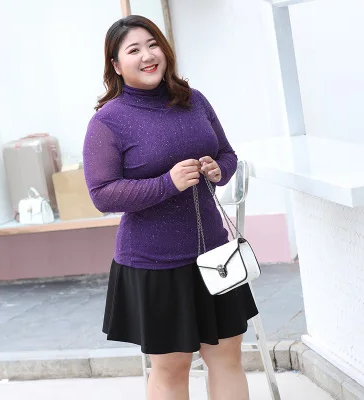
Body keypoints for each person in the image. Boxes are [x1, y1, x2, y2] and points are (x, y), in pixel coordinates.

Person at [83, 15, 258, 400]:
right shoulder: (108, 122)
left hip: (214, 253)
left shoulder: (194, 100)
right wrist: (167, 183)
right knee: (172, 366)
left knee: (228, 355)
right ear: (116, 65)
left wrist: (219, 169)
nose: (147, 56)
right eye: (134, 50)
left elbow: (227, 154)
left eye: (153, 45)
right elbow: (102, 194)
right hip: (154, 264)